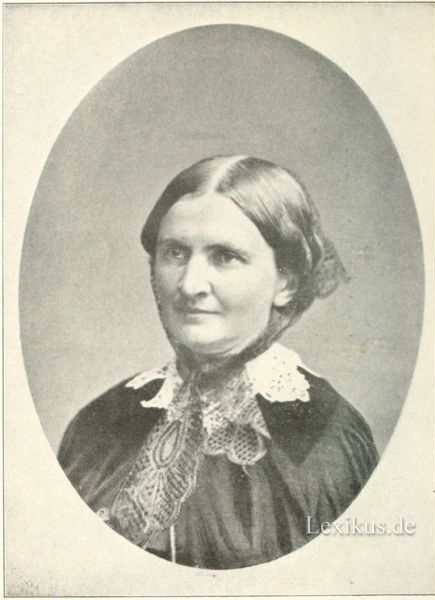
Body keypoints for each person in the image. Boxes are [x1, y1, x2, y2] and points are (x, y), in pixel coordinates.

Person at [58, 155, 378, 569]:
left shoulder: (327, 437)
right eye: (175, 252)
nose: (190, 284)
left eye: (224, 256)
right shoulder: (98, 424)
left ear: (286, 280)